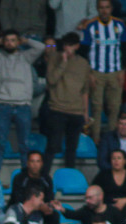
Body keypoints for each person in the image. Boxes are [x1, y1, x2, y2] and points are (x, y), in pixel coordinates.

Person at [0, 31, 45, 173]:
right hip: (2, 105)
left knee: (24, 145)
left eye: (13, 40)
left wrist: (26, 41)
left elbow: (41, 47)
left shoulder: (26, 57)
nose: (10, 43)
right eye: (7, 40)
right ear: (3, 42)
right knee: (0, 144)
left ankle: (26, 177)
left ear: (18, 42)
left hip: (23, 105)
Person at [43, 32, 91, 172]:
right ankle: (44, 177)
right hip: (57, 109)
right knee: (52, 146)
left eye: (70, 45)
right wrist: (63, 63)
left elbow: (85, 90)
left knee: (72, 149)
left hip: (76, 112)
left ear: (77, 46)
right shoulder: (54, 58)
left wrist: (85, 112)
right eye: (65, 45)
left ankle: (70, 176)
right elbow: (51, 80)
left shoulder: (83, 63)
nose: (67, 48)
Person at [82, 1, 126, 142]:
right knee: (96, 108)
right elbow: (84, 51)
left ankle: (112, 141)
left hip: (115, 72)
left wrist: (122, 71)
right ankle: (95, 141)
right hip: (96, 72)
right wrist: (89, 73)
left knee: (114, 108)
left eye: (107, 7)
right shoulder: (90, 25)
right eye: (101, 8)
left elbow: (124, 49)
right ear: (97, 9)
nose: (104, 10)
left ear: (111, 8)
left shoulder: (120, 25)